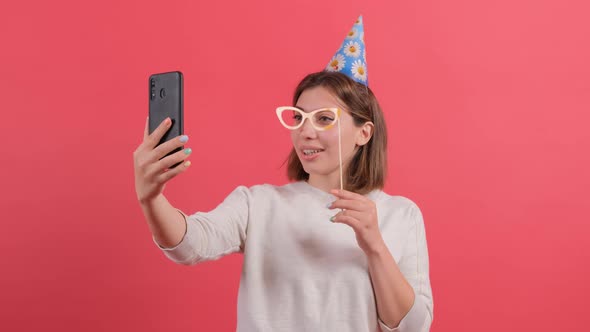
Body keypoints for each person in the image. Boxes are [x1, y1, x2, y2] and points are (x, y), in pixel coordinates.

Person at [133, 16, 433, 332]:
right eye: (299, 117)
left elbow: (414, 327)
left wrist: (374, 245)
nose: (305, 131)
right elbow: (189, 244)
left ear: (364, 133)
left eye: (324, 119)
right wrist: (151, 199)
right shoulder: (259, 204)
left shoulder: (402, 216)